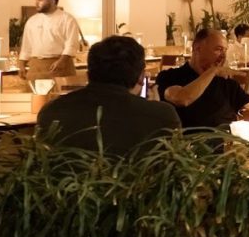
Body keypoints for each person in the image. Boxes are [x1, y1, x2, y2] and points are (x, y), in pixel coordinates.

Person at [37, 35, 180, 157]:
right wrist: (155, 108)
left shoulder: (51, 111)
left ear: (88, 74)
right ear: (141, 77)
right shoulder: (161, 115)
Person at [157, 26, 249, 129]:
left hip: (227, 137)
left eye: (225, 51)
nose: (223, 56)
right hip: (189, 138)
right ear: (197, 48)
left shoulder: (227, 83)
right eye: (218, 49)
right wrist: (213, 71)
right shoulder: (170, 76)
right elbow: (183, 99)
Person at [18, 0, 83, 88]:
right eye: (36, 0)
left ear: (52, 1)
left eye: (40, 0)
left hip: (59, 65)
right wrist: (21, 64)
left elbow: (71, 44)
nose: (36, 3)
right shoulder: (32, 21)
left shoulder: (67, 19)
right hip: (36, 66)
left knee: (61, 97)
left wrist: (62, 61)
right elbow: (26, 46)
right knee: (36, 97)